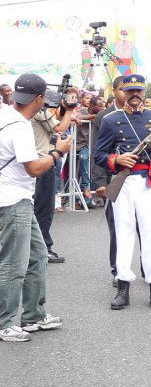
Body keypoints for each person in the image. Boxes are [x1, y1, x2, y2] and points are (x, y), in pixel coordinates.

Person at [0, 74, 69, 342]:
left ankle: (33, 316)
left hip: (16, 200)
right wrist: (58, 152)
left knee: (37, 255)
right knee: (12, 264)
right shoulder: (19, 126)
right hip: (12, 201)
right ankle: (5, 322)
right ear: (39, 99)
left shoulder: (6, 114)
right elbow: (33, 169)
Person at [95, 74, 151, 311]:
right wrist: (117, 160)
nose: (135, 95)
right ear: (123, 93)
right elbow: (99, 155)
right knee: (123, 235)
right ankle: (122, 287)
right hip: (123, 182)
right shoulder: (110, 119)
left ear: (144, 92)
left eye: (139, 91)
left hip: (146, 181)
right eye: (130, 91)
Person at [30, 87, 77, 263]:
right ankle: (43, 248)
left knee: (37, 208)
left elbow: (55, 122)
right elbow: (60, 128)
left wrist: (64, 110)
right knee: (44, 209)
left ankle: (38, 247)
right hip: (44, 162)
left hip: (34, 163)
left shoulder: (29, 111)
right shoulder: (40, 112)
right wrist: (70, 110)